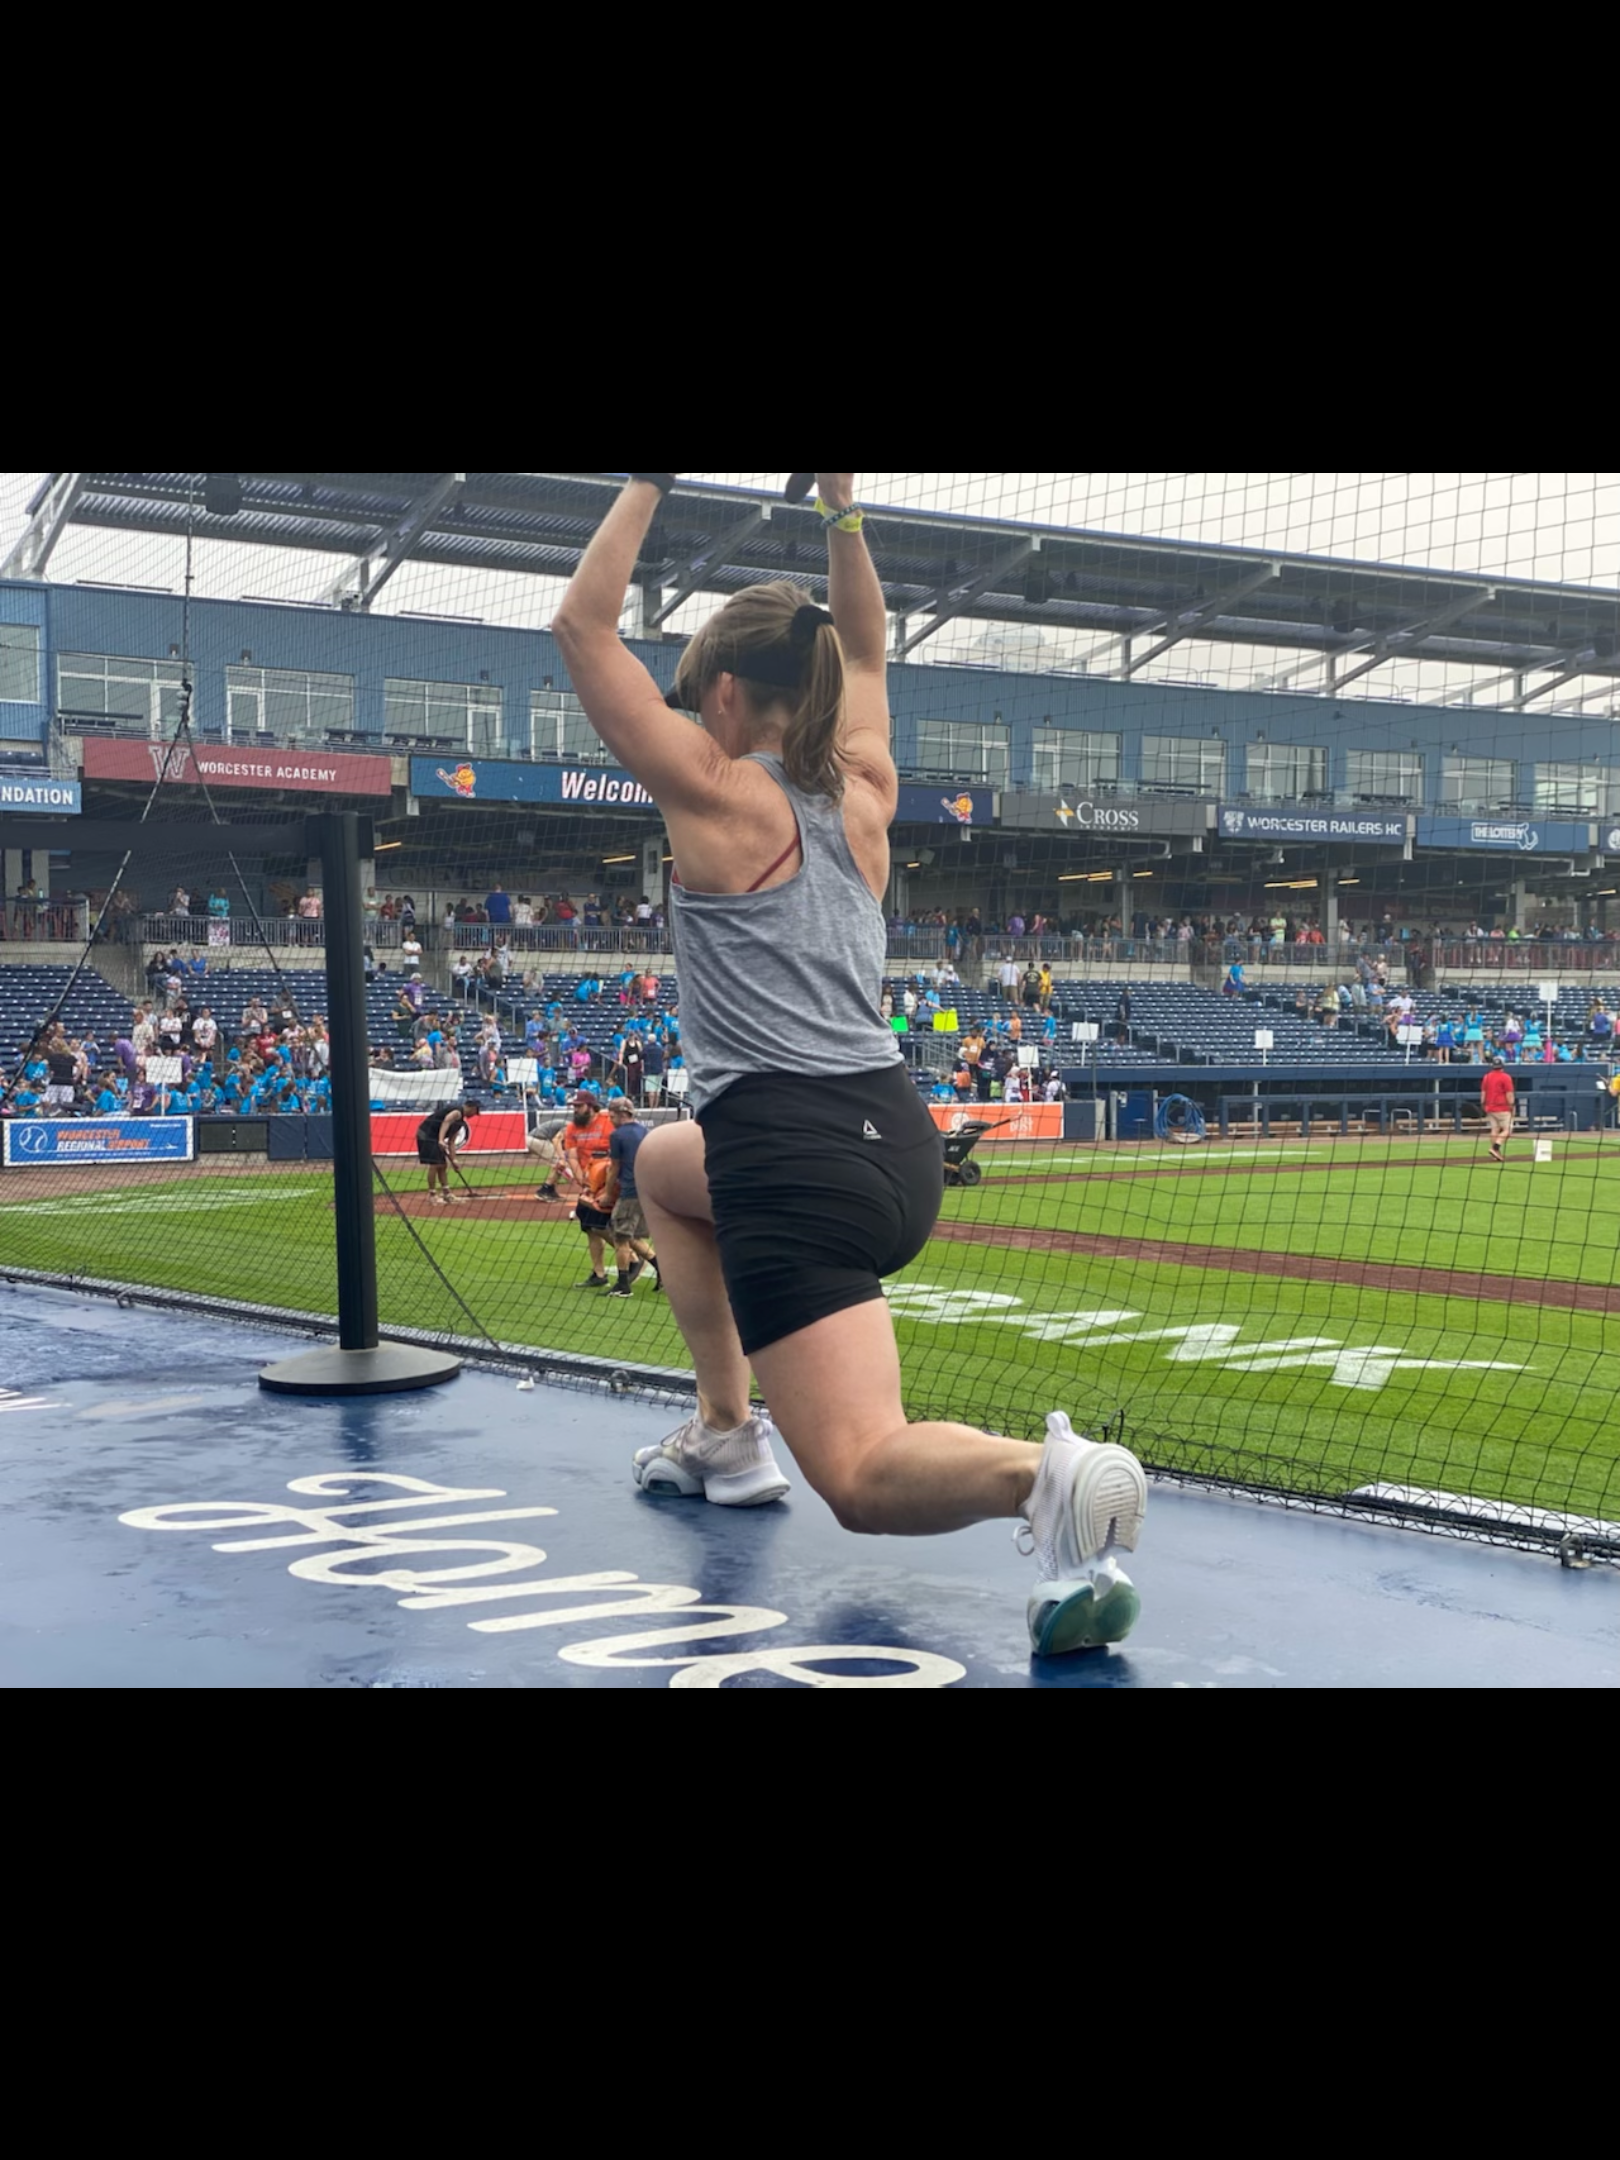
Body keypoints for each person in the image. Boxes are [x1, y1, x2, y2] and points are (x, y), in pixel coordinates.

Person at [550, 469, 1146, 1654]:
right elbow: (865, 652)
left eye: (694, 696)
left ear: (722, 692)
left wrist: (650, 481)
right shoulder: (863, 788)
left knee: (862, 1478)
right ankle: (725, 1429)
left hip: (792, 1159)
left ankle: (1047, 1478)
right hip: (891, 1140)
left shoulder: (719, 795)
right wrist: (841, 507)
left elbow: (580, 626)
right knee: (663, 1164)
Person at [601, 1099, 659, 1295]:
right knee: (632, 1235)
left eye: (612, 1115)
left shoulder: (617, 1135)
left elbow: (614, 1166)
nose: (610, 1119)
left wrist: (608, 1193)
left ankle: (623, 1285)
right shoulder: (644, 1131)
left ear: (621, 1114)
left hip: (629, 1191)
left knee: (620, 1236)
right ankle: (661, 1269)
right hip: (647, 1190)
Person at [416, 1099, 478, 1204]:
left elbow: (451, 1142)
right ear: (471, 1108)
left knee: (443, 1165)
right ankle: (433, 1195)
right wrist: (440, 1139)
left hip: (435, 1138)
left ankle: (447, 1194)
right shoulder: (457, 1112)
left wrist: (454, 1160)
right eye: (475, 1111)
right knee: (435, 1164)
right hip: (426, 1135)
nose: (474, 1114)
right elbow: (446, 1121)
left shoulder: (460, 1123)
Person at [1481, 1059, 1516, 1166]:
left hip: (1490, 1107)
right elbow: (1509, 1094)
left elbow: (1483, 1093)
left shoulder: (1486, 1077)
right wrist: (1512, 1106)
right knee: (1508, 1130)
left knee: (1495, 1129)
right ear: (1502, 1066)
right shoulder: (1506, 1077)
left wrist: (1483, 1104)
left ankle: (1496, 1153)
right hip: (1502, 1107)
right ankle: (1495, 1148)